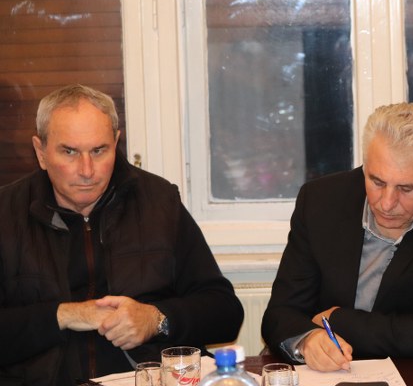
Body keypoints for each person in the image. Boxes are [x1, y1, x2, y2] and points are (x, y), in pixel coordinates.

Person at [0, 84, 244, 385]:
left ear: (116, 143)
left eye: (99, 150)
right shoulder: (6, 214)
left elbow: (225, 312)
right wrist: (63, 316)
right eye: (69, 152)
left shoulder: (159, 202)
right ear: (41, 152)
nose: (87, 170)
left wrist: (156, 319)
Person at [261, 102, 413, 372]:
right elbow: (280, 315)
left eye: (406, 189)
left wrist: (339, 321)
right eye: (377, 182)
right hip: (330, 375)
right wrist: (309, 340)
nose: (386, 203)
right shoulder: (320, 200)